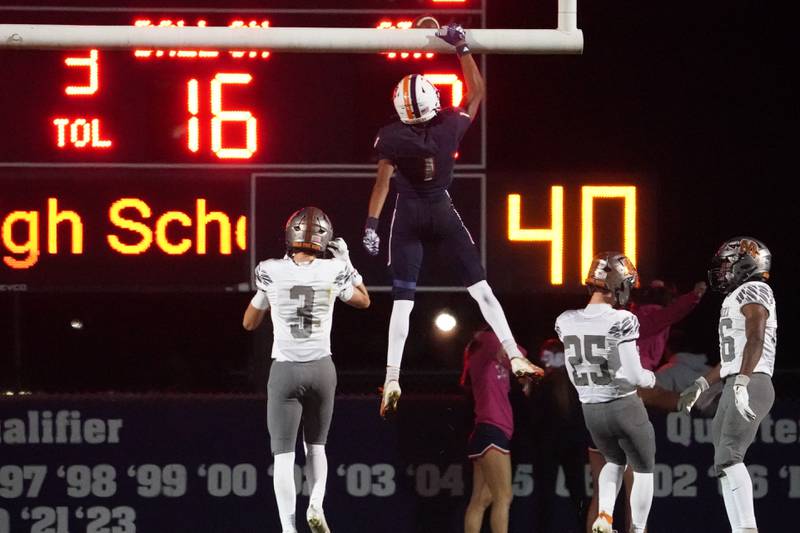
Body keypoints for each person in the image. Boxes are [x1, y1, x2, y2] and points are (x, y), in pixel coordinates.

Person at [361, 23, 541, 417]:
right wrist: (461, 49)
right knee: (481, 290)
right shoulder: (449, 128)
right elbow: (477, 92)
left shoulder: (390, 136)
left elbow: (381, 183)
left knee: (402, 306)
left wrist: (372, 224)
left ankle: (392, 376)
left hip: (407, 216)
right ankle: (514, 354)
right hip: (441, 211)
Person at [243, 207, 370, 533]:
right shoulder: (333, 269)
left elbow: (248, 323)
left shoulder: (269, 270)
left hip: (285, 370)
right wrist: (348, 263)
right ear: (324, 239)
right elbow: (364, 301)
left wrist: (265, 297)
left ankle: (288, 528)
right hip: (321, 369)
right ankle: (316, 503)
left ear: (291, 236)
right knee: (316, 448)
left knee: (283, 456)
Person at [677, 237, 776, 533]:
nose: (722, 271)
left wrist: (743, 381)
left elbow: (756, 337)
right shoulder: (738, 295)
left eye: (727, 265)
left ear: (745, 264)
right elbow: (732, 356)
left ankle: (747, 528)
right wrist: (701, 384)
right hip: (740, 377)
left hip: (752, 379)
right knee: (722, 460)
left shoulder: (753, 289)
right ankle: (740, 528)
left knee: (730, 454)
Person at [555, 252, 657, 533]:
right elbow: (633, 375)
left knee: (611, 463)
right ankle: (637, 529)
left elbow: (573, 374)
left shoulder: (566, 320)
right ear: (617, 284)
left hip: (591, 410)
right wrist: (650, 378)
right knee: (643, 469)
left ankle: (604, 515)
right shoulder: (623, 319)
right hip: (623, 405)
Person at [460, 326, 526, 533]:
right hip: (493, 430)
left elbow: (517, 360)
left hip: (486, 431)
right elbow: (520, 352)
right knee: (504, 497)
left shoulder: (486, 353)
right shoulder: (487, 341)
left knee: (481, 499)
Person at [526, 339, 589, 533]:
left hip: (549, 448)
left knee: (546, 498)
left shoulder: (540, 384)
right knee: (578, 495)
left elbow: (533, 419)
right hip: (571, 446)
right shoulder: (576, 383)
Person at [631, 279, 707, 371]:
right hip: (636, 368)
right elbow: (674, 311)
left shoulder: (636, 315)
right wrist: (694, 296)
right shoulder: (653, 316)